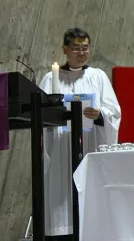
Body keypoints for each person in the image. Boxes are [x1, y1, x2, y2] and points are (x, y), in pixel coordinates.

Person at [39, 27, 121, 240]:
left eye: (85, 48)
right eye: (76, 48)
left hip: (89, 147)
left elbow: (114, 112)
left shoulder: (99, 77)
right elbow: (40, 115)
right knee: (61, 199)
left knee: (89, 201)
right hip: (60, 151)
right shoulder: (51, 79)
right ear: (65, 49)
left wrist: (99, 114)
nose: (82, 53)